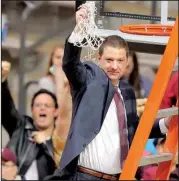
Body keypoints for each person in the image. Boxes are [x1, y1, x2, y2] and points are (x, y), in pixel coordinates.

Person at [45, 4, 171, 181]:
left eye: (120, 60)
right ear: (99, 59)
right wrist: (79, 31)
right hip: (84, 175)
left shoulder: (127, 92)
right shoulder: (89, 79)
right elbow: (70, 64)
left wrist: (167, 123)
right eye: (109, 60)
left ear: (127, 62)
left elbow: (135, 130)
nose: (114, 66)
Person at [2, 61, 57, 180]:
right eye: (38, 105)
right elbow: (7, 109)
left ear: (55, 111)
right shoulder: (22, 128)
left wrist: (47, 143)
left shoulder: (62, 138)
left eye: (47, 105)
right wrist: (2, 82)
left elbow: (64, 170)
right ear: (32, 110)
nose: (42, 108)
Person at [39, 45, 72, 167]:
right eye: (58, 57)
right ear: (51, 59)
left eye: (64, 57)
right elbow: (57, 108)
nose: (61, 61)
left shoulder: (72, 83)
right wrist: (59, 82)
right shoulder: (45, 83)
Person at [123, 51, 157, 154]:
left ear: (134, 64)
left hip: (144, 132)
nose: (124, 70)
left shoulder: (145, 83)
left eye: (128, 66)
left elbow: (153, 111)